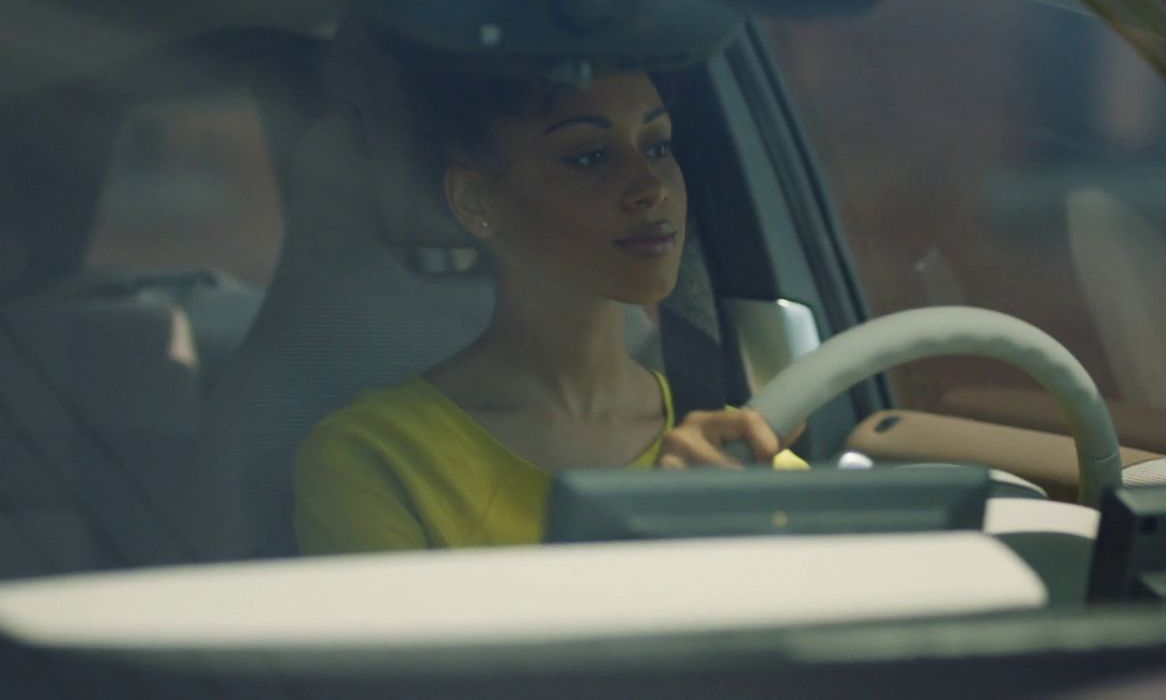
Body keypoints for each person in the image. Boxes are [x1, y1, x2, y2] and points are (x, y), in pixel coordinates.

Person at [293, 55, 804, 554]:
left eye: (659, 146)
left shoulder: (730, 445)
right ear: (475, 200)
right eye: (589, 157)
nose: (650, 188)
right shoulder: (376, 457)